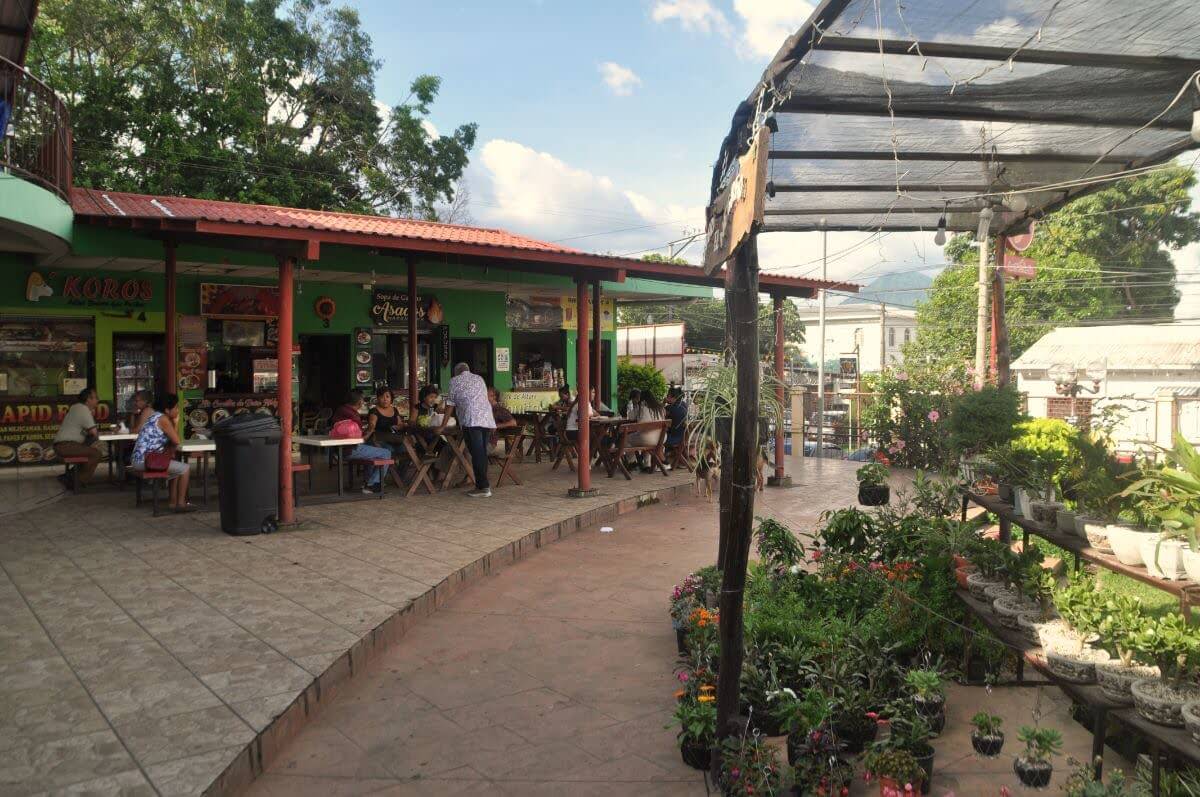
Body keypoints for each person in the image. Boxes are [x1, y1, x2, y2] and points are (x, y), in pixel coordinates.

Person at [130, 393, 193, 512]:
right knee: (185, 469)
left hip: (140, 459)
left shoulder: (155, 416)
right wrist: (176, 421)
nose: (178, 410)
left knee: (176, 468)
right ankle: (181, 504)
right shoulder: (163, 419)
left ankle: (173, 503)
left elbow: (172, 441)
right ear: (167, 410)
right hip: (145, 460)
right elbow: (176, 440)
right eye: (176, 407)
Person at [442, 362, 495, 498]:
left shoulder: (454, 381)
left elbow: (450, 404)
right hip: (486, 419)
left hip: (472, 420)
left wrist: (443, 425)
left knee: (476, 453)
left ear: (456, 373)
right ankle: (483, 485)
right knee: (481, 453)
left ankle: (483, 487)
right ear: (468, 371)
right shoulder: (479, 378)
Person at [331, 391, 393, 494]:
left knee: (373, 450)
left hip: (338, 449)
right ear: (359, 402)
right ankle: (372, 485)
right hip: (351, 449)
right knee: (386, 453)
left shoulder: (341, 409)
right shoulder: (354, 415)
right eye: (363, 400)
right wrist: (370, 431)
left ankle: (367, 481)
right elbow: (360, 439)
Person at [53, 387, 102, 488]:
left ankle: (70, 476)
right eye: (95, 398)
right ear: (88, 399)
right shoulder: (83, 409)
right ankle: (77, 482)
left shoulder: (76, 407)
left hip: (62, 445)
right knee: (96, 454)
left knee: (88, 453)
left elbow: (88, 432)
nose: (98, 400)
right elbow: (94, 433)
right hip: (67, 445)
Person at [365, 388, 406, 458]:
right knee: (390, 451)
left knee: (405, 451)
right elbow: (372, 425)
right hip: (379, 439)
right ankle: (389, 468)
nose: (385, 399)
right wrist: (371, 426)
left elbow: (400, 424)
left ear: (391, 399)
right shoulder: (374, 411)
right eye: (382, 397)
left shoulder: (394, 410)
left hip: (394, 438)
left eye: (387, 396)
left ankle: (399, 469)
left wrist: (400, 426)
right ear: (378, 398)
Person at [486, 386, 518, 455]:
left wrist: (496, 425)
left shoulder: (499, 410)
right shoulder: (485, 409)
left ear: (494, 397)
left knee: (468, 451)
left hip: (489, 443)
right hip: (481, 440)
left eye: (486, 394)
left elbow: (513, 422)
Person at [665, 386, 689, 452]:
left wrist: (663, 403)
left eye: (667, 395)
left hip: (672, 438)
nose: (666, 397)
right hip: (683, 438)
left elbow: (660, 420)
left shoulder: (669, 408)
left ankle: (662, 458)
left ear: (672, 397)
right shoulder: (684, 405)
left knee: (656, 438)